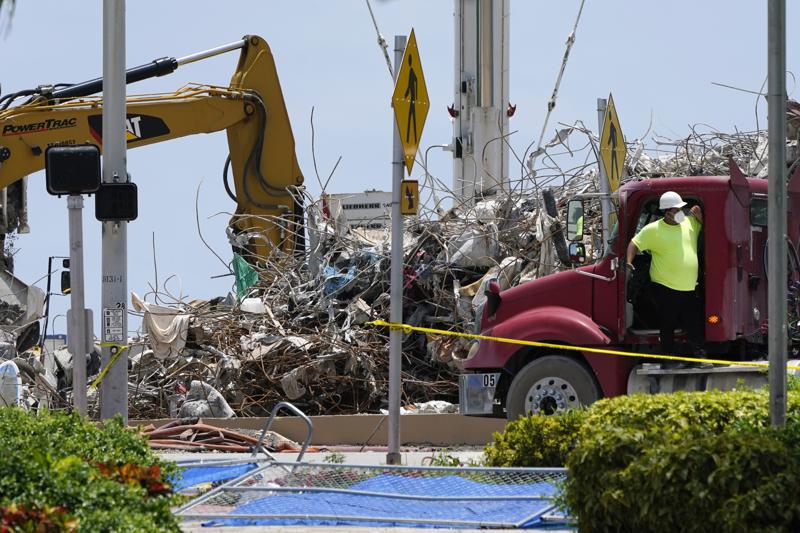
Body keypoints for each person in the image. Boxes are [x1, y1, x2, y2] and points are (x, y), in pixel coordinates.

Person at [625, 191, 706, 365]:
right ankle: (667, 358)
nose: (681, 213)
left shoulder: (689, 224)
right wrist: (629, 262)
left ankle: (700, 357)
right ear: (667, 212)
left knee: (693, 323)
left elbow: (706, 226)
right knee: (667, 324)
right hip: (665, 287)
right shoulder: (653, 230)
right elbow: (634, 244)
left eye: (681, 209)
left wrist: (699, 214)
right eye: (677, 210)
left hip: (689, 286)